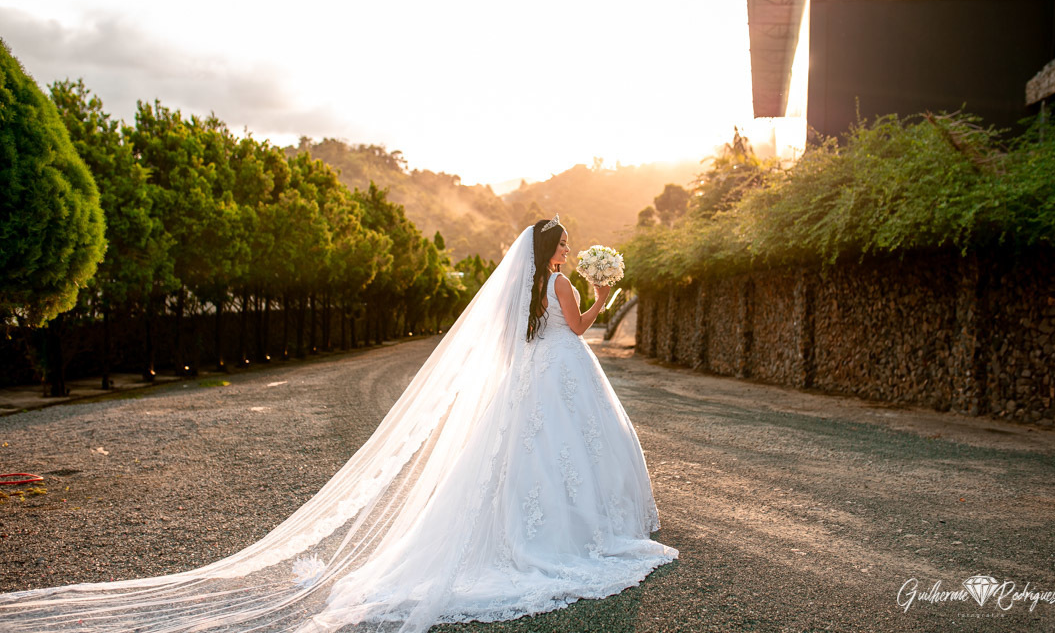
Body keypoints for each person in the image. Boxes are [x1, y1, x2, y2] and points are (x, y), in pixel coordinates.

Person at [0, 217, 677, 633]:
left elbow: (516, 344)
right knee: (576, 453)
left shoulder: (524, 294)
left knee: (530, 458)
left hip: (533, 376)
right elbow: (582, 330)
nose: (573, 251)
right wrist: (601, 293)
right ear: (556, 253)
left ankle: (536, 529)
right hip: (563, 371)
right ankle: (583, 532)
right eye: (568, 247)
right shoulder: (562, 287)